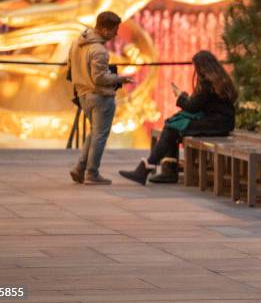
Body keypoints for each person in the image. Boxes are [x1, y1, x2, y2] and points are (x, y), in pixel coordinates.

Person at [119, 50, 237, 185]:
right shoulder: (219, 80)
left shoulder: (207, 83)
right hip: (222, 123)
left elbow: (193, 107)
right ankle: (163, 170)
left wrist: (180, 96)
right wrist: (184, 96)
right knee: (173, 128)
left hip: (214, 124)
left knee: (172, 128)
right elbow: (198, 104)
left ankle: (152, 169)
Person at [68, 11, 134, 185]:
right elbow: (99, 78)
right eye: (114, 30)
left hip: (83, 94)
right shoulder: (99, 51)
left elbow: (70, 66)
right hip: (99, 97)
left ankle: (80, 168)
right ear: (104, 29)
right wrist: (120, 79)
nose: (116, 34)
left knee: (95, 132)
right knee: (100, 135)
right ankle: (92, 172)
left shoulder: (77, 42)